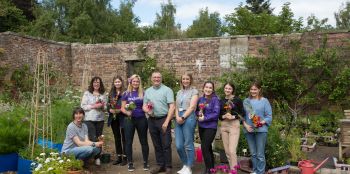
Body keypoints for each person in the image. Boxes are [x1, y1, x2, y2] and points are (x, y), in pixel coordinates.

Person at [143, 71, 175, 174]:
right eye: (154, 77)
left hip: (163, 119)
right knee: (156, 144)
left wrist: (166, 122)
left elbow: (172, 107)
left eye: (158, 77)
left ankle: (168, 166)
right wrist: (147, 110)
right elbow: (144, 105)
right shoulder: (148, 91)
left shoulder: (167, 90)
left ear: (161, 79)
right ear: (151, 79)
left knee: (166, 144)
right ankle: (160, 165)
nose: (156, 79)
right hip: (152, 120)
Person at [121, 74, 149, 172]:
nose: (136, 83)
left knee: (144, 141)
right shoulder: (126, 93)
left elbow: (147, 105)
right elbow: (122, 107)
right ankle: (130, 163)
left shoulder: (143, 93)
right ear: (131, 82)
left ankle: (145, 162)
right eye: (134, 81)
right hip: (129, 120)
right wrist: (126, 112)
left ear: (139, 82)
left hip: (141, 119)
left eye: (137, 81)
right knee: (128, 141)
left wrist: (149, 108)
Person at [242, 81, 272, 174]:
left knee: (260, 154)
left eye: (255, 89)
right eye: (251, 89)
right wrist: (246, 125)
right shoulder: (246, 101)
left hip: (261, 130)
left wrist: (260, 123)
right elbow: (242, 116)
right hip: (249, 130)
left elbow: (269, 116)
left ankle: (260, 172)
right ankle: (255, 171)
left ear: (259, 90)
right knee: (253, 153)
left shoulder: (264, 101)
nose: (253, 91)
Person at [175, 74, 199, 174]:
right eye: (183, 79)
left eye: (187, 79)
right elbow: (176, 107)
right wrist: (177, 117)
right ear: (181, 80)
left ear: (190, 80)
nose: (185, 80)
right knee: (179, 145)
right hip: (178, 117)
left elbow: (192, 107)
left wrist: (183, 117)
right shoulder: (179, 92)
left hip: (188, 117)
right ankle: (185, 164)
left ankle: (189, 167)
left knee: (188, 143)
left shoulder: (194, 91)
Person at [80, 76, 107, 165]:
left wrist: (103, 106)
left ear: (100, 84)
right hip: (89, 119)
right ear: (92, 83)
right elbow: (83, 106)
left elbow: (106, 107)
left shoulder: (103, 94)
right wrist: (93, 106)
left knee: (99, 138)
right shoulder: (87, 93)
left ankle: (97, 157)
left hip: (100, 119)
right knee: (92, 138)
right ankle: (88, 156)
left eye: (98, 82)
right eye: (95, 82)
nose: (96, 84)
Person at [196, 81, 220, 174]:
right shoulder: (200, 99)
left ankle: (208, 170)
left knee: (204, 147)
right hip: (201, 126)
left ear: (213, 90)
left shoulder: (215, 100)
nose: (208, 89)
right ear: (203, 88)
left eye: (210, 88)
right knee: (208, 147)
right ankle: (212, 168)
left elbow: (216, 114)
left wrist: (204, 118)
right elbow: (197, 111)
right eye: (206, 87)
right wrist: (198, 114)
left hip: (211, 127)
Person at [219, 83, 244, 170]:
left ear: (232, 90)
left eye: (229, 88)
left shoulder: (237, 100)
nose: (227, 90)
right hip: (224, 125)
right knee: (227, 151)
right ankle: (232, 168)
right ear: (224, 89)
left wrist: (233, 116)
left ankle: (234, 171)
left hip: (234, 125)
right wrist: (224, 116)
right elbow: (219, 115)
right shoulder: (221, 101)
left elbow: (242, 113)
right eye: (226, 88)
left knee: (232, 150)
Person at [106, 76, 127, 166]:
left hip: (123, 117)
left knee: (124, 138)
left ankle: (125, 157)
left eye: (119, 82)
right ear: (113, 83)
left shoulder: (125, 92)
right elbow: (108, 105)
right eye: (116, 82)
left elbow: (128, 104)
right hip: (114, 118)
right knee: (116, 137)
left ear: (121, 82)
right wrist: (109, 109)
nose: (117, 83)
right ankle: (119, 156)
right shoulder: (111, 93)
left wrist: (121, 109)